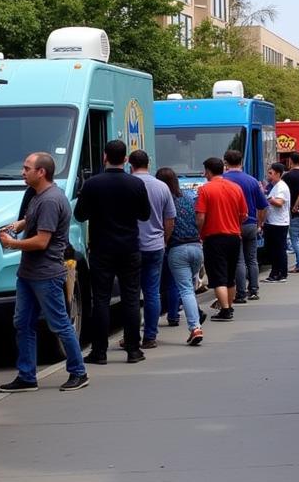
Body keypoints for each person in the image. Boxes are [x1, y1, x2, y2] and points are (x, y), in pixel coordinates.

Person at [0, 152, 87, 394]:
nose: (22, 172)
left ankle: (78, 371)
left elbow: (41, 242)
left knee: (59, 323)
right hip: (29, 274)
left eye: (27, 168)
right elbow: (33, 219)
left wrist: (11, 243)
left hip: (45, 274)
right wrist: (19, 225)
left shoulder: (49, 200)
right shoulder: (41, 196)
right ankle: (27, 376)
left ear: (41, 172)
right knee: (23, 323)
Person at [74, 139, 150, 365]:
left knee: (101, 300)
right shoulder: (136, 184)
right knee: (131, 299)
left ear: (104, 157)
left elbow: (79, 215)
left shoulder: (92, 184)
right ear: (126, 159)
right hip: (129, 248)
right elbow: (144, 215)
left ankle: (99, 351)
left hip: (101, 249)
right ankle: (134, 349)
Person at [128, 149, 175, 348]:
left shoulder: (129, 185)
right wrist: (164, 239)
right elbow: (170, 218)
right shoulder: (162, 187)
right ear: (148, 163)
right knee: (152, 292)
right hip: (156, 245)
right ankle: (150, 336)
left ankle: (130, 336)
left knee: (131, 294)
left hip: (132, 246)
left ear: (130, 165)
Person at [196, 156, 247, 321]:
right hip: (234, 236)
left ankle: (225, 310)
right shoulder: (236, 188)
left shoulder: (205, 190)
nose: (204, 174)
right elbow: (243, 215)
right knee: (230, 276)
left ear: (209, 171)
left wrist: (199, 232)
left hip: (214, 237)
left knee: (218, 276)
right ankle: (229, 306)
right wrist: (235, 224)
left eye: (205, 171)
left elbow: (201, 216)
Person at [157, 167, 205, 345]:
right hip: (196, 247)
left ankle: (195, 327)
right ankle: (196, 314)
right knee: (188, 288)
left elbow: (167, 223)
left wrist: (164, 240)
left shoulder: (165, 200)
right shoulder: (187, 197)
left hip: (177, 248)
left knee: (184, 289)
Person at [224, 149, 269, 302]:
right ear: (241, 162)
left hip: (231, 224)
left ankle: (241, 292)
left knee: (238, 260)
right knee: (252, 259)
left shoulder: (223, 180)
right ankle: (254, 289)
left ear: (225, 163)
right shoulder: (252, 180)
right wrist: (260, 223)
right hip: (250, 223)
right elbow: (263, 206)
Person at [263, 162, 290, 282]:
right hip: (273, 221)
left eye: (270, 173)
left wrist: (267, 197)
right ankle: (275, 272)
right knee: (273, 249)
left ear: (278, 174)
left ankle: (280, 273)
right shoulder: (274, 186)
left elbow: (279, 203)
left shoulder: (281, 187)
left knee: (278, 249)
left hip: (279, 223)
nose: (268, 175)